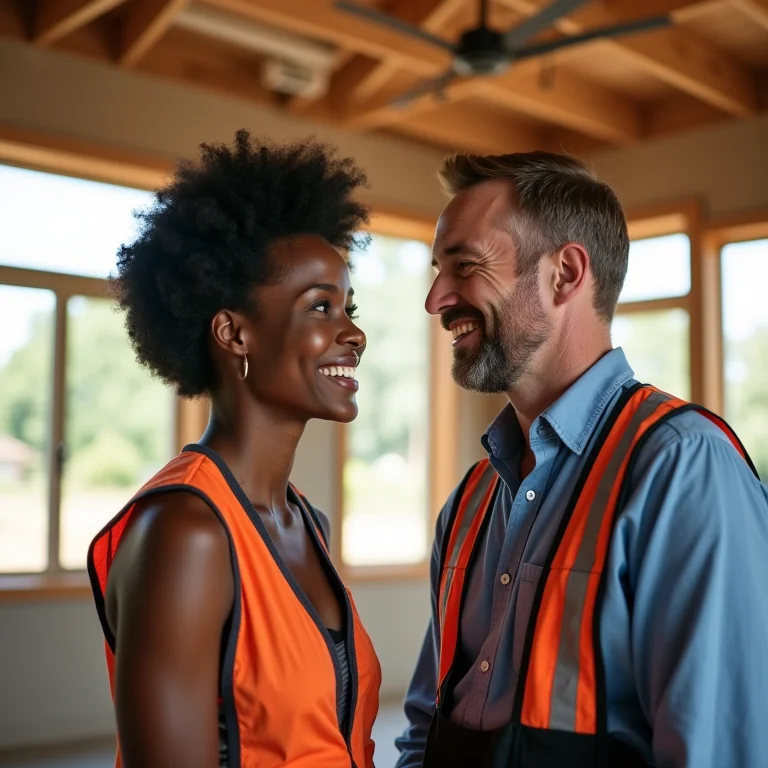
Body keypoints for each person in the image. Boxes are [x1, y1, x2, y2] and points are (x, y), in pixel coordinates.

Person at [395, 151, 768, 768]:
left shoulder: (683, 468)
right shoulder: (468, 502)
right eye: (438, 271)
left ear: (565, 274)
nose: (436, 299)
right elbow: (422, 729)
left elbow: (721, 750)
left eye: (464, 266)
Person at [86, 130, 381, 768]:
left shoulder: (308, 523)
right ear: (233, 333)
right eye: (321, 307)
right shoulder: (185, 531)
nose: (353, 333)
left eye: (348, 308)